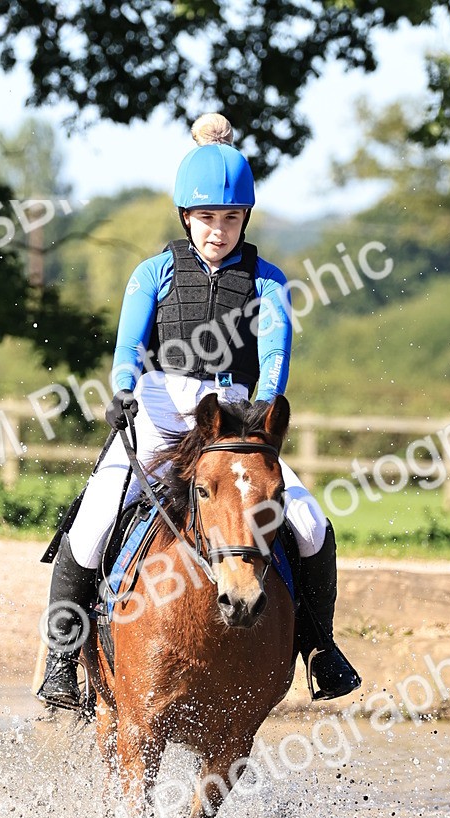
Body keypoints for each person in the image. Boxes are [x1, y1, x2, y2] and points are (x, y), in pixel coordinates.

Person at [38, 113, 361, 710]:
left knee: (313, 527)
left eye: (231, 218)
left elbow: (275, 352)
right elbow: (130, 344)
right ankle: (62, 661)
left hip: (233, 425)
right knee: (91, 526)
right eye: (207, 218)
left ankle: (321, 649)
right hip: (160, 412)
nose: (218, 230)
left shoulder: (266, 282)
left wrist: (264, 405)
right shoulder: (154, 272)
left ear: (245, 219)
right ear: (187, 217)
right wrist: (123, 388)